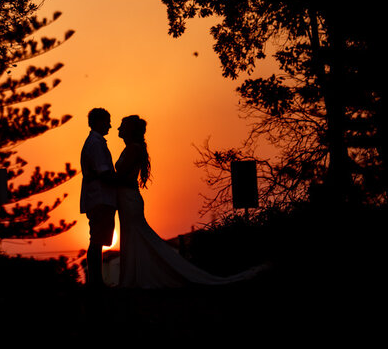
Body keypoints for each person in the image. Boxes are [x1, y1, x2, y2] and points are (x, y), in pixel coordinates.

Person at [115, 114, 265, 288]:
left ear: (130, 129)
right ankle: (133, 276)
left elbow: (123, 177)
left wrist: (101, 177)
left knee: (138, 235)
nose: (118, 129)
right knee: (132, 236)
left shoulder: (134, 149)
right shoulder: (129, 149)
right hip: (125, 199)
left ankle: (143, 276)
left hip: (129, 199)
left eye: (122, 126)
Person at [80, 107, 119, 287]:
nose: (110, 126)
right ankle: (95, 281)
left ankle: (96, 280)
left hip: (99, 197)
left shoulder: (96, 142)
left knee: (98, 239)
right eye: (107, 121)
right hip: (100, 197)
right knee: (96, 239)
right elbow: (103, 171)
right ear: (97, 122)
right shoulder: (95, 144)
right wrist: (122, 182)